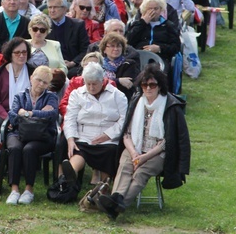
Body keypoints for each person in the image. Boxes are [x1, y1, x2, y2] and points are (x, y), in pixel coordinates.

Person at [98, 64, 190, 220]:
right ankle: (117, 200)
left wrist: (143, 158)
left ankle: (116, 205)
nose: (148, 88)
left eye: (152, 85)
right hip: (134, 146)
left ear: (160, 86)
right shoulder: (136, 101)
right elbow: (126, 134)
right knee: (125, 166)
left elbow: (167, 142)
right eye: (144, 84)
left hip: (158, 153)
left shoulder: (171, 106)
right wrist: (134, 153)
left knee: (140, 173)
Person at [62, 63, 127, 186]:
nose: (91, 87)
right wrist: (70, 139)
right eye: (88, 84)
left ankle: (103, 187)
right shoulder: (76, 94)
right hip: (83, 135)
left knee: (109, 151)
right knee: (78, 149)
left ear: (102, 81)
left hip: (108, 137)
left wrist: (108, 135)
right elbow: (70, 118)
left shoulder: (117, 95)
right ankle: (71, 173)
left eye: (94, 84)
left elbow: (124, 120)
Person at [5, 65, 59, 205]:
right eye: (38, 80)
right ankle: (14, 190)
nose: (41, 84)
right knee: (15, 148)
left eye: (45, 82)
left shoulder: (51, 97)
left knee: (29, 149)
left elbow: (52, 115)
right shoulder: (20, 95)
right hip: (18, 133)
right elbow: (12, 115)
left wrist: (28, 113)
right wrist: (40, 115)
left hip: (42, 136)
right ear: (31, 78)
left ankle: (29, 190)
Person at [127, 0, 181, 75]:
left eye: (156, 9)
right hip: (139, 57)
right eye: (150, 9)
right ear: (144, 10)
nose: (153, 11)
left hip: (161, 58)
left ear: (160, 10)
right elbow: (129, 41)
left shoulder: (168, 26)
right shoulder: (137, 24)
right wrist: (143, 23)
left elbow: (176, 47)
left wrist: (160, 48)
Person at [0, 37, 34, 120]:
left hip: (27, 115)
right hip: (4, 115)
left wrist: (26, 114)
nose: (21, 55)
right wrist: (8, 117)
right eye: (17, 53)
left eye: (24, 52)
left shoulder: (33, 72)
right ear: (10, 54)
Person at [45, 0, 90, 78]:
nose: (52, 10)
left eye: (55, 7)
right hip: (50, 66)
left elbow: (85, 49)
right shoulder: (43, 26)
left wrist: (72, 62)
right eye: (50, 7)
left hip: (73, 66)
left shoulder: (78, 25)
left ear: (65, 9)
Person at [99, 32, 140, 99]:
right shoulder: (99, 64)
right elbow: (96, 82)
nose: (116, 49)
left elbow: (126, 86)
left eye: (118, 46)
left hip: (121, 98)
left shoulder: (129, 64)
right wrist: (118, 81)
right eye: (112, 46)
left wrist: (106, 81)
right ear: (104, 49)